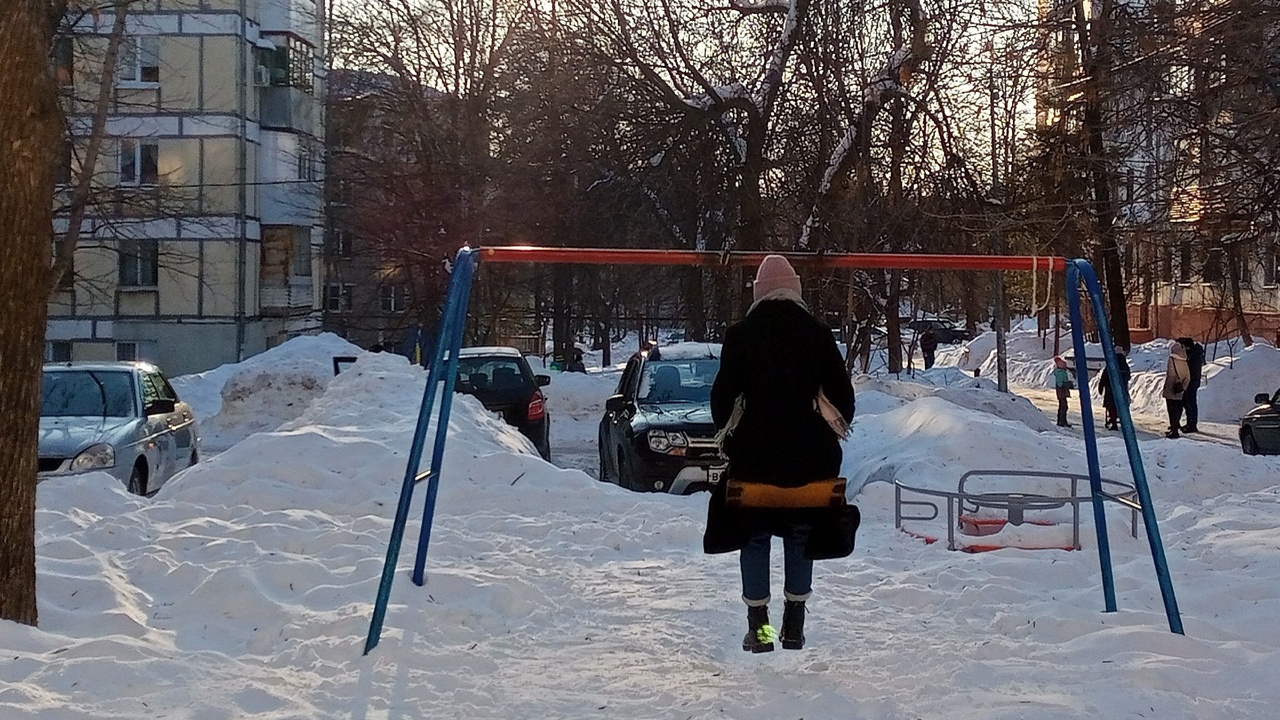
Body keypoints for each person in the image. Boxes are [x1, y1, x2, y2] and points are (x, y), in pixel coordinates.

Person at [705, 254, 856, 653]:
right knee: (800, 532)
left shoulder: (741, 335)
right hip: (812, 470)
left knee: (754, 536)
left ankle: (760, 631)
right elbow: (845, 403)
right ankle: (793, 627)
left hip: (754, 468)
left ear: (759, 293)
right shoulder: (819, 334)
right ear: (795, 290)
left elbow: (721, 402)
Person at [1162, 341, 1192, 439]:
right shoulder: (1184, 360)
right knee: (1178, 410)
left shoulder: (1172, 359)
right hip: (1180, 390)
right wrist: (1183, 387)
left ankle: (1174, 430)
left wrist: (1169, 385)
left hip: (1171, 389)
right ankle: (1174, 428)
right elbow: (1188, 376)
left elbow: (1170, 374)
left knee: (1171, 410)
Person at [1099, 346, 1132, 431]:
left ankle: (1113, 421)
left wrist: (1101, 386)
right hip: (1122, 388)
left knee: (1112, 405)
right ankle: (1123, 420)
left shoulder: (1111, 363)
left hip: (1111, 388)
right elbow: (1128, 376)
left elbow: (1105, 376)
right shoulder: (1124, 364)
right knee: (1121, 405)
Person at [1177, 337, 1205, 433]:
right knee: (1189, 402)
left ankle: (1192, 424)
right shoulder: (1194, 354)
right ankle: (1190, 423)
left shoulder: (1193, 356)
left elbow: (1190, 370)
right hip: (1190, 381)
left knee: (1190, 402)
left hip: (1191, 382)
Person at [1052, 356, 1074, 428]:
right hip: (1062, 391)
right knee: (1064, 406)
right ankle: (1062, 421)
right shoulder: (1060, 373)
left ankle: (1062, 421)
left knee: (1063, 406)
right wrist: (1065, 384)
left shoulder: (1060, 372)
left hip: (1061, 391)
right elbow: (1060, 383)